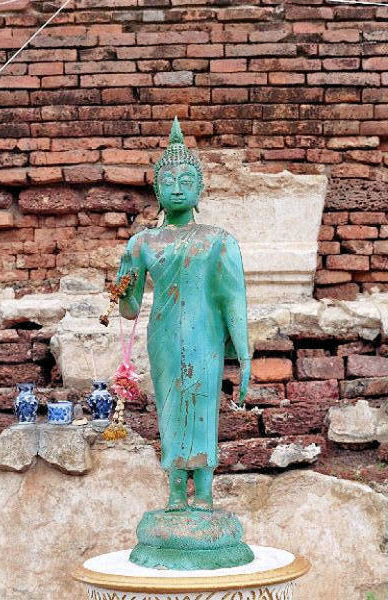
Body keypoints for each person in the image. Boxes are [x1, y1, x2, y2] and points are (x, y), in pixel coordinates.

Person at [117, 117, 250, 512]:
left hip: (205, 337)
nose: (177, 187)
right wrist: (122, 286)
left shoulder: (218, 240)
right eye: (169, 181)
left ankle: (204, 494)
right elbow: (129, 310)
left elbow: (234, 299)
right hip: (163, 339)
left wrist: (244, 355)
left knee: (203, 408)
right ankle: (176, 493)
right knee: (172, 409)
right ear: (157, 190)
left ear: (199, 188)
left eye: (186, 180)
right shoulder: (143, 242)